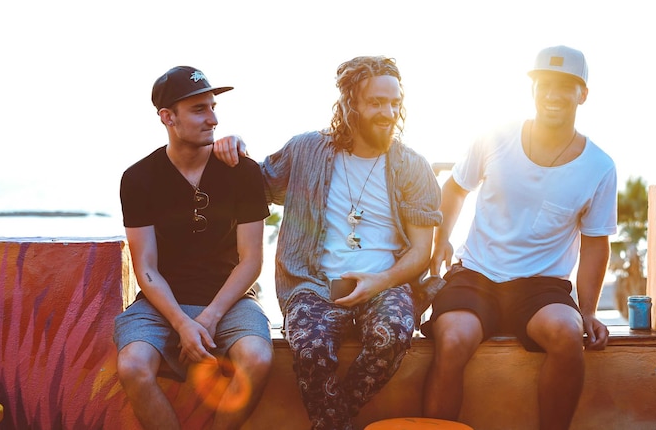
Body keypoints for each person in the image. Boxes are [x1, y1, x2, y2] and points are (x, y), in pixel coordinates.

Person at [214, 56, 442, 430]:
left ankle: (331, 423)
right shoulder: (306, 150)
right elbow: (255, 182)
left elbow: (421, 251)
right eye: (376, 102)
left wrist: (380, 282)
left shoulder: (413, 166)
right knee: (312, 350)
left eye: (394, 102)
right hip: (312, 285)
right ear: (350, 103)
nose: (388, 112)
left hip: (385, 285)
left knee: (393, 336)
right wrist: (235, 145)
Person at [421, 45, 617, 430]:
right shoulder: (496, 137)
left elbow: (596, 242)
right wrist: (441, 238)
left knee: (566, 333)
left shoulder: (599, 166)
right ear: (532, 90)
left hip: (542, 285)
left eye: (564, 86)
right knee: (454, 338)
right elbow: (456, 188)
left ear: (583, 94)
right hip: (476, 274)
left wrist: (589, 310)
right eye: (544, 84)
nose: (552, 94)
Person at [114, 66, 273, 430]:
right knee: (133, 366)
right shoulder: (139, 179)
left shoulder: (241, 171)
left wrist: (209, 317)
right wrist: (182, 322)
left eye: (213, 107)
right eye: (199, 109)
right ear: (167, 117)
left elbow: (251, 261)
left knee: (258, 359)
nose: (213, 119)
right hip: (162, 301)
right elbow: (147, 267)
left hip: (229, 299)